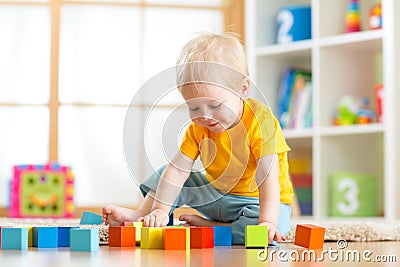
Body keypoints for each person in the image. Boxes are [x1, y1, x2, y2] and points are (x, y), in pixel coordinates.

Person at [102, 33, 294, 245]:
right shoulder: (198, 128)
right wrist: (161, 210)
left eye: (215, 106)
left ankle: (216, 228)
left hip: (258, 202)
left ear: (243, 90)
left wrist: (267, 221)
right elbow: (177, 170)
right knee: (168, 173)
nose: (205, 116)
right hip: (218, 196)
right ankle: (142, 215)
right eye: (193, 107)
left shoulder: (261, 121)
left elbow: (267, 176)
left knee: (269, 231)